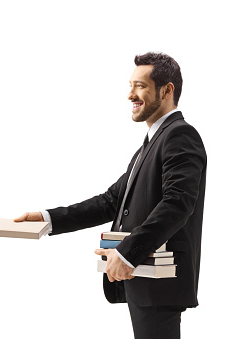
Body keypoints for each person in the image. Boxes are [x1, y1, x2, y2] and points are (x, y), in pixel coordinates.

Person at [14, 52, 206, 339]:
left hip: (158, 280)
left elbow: (178, 203)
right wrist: (47, 219)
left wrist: (128, 254)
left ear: (167, 90)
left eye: (140, 86)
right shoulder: (152, 143)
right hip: (143, 280)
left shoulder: (180, 135)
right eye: (130, 85)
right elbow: (111, 201)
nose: (131, 94)